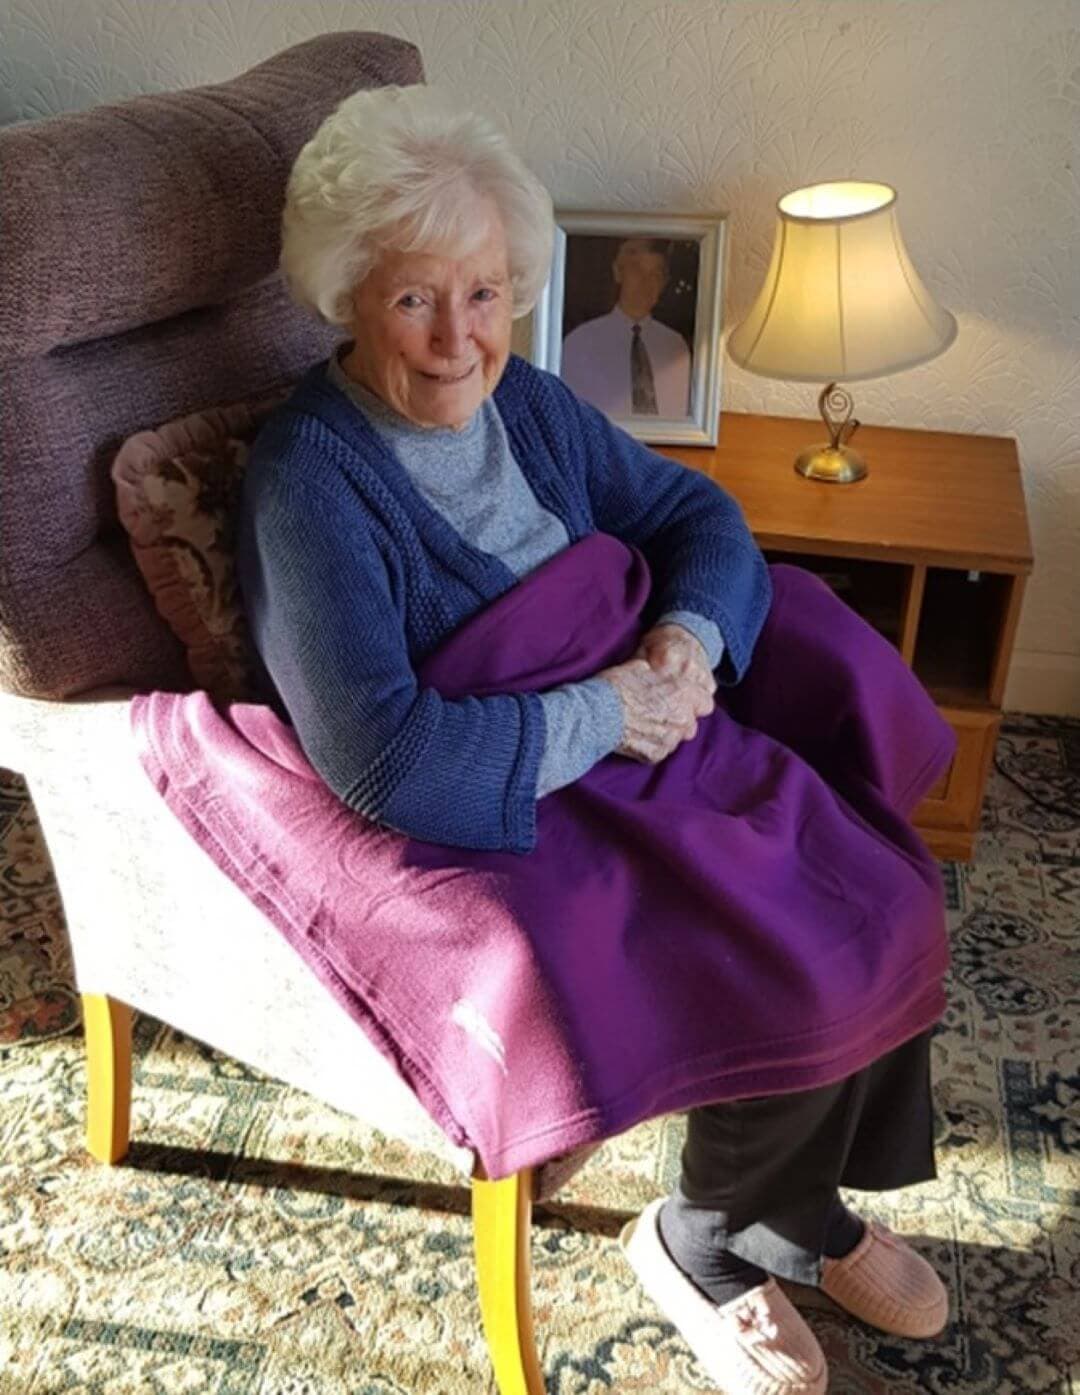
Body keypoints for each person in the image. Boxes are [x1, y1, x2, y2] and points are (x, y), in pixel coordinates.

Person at [235, 84, 950, 1395]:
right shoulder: (310, 485)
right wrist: (609, 713)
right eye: (413, 299)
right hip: (517, 793)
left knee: (888, 897)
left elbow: (697, 516)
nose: (457, 339)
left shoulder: (531, 403)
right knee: (785, 959)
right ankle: (701, 1242)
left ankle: (790, 1210)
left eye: (483, 294)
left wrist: (685, 641)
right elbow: (386, 757)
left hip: (647, 717)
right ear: (347, 297)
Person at [559, 236, 693, 418]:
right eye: (637, 270)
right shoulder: (580, 343)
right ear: (618, 272)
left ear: (664, 284)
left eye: (655, 275)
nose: (646, 282)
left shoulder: (675, 346)